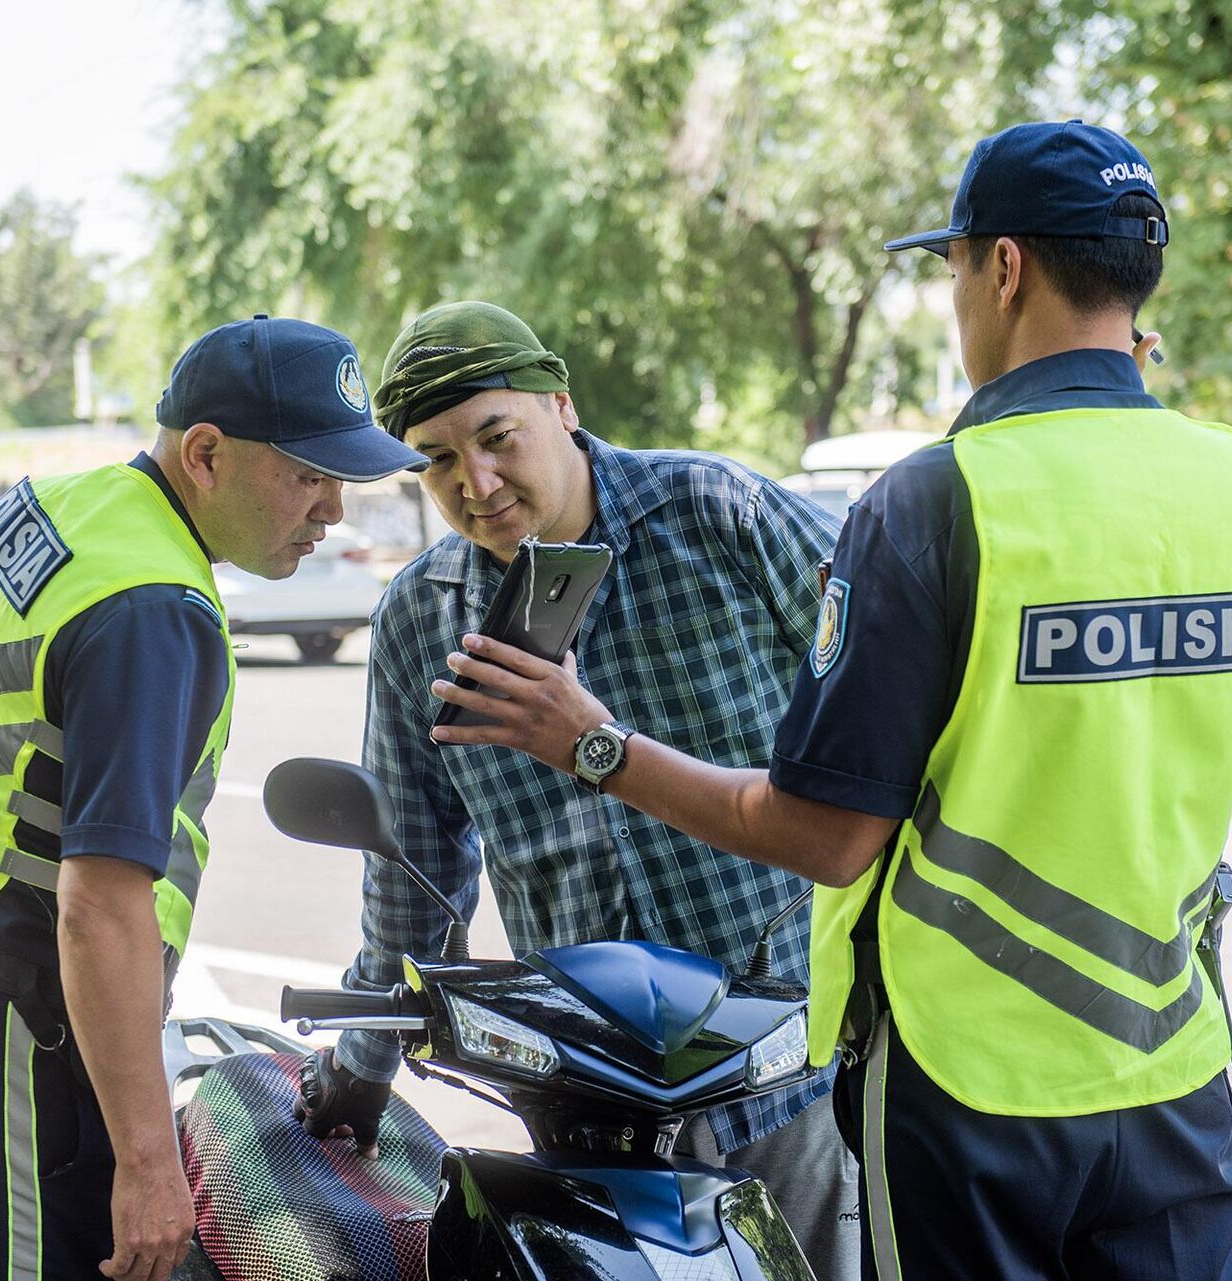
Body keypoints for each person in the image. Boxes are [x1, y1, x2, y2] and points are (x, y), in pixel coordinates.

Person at [424, 122, 1232, 1280]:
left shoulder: (937, 501)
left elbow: (824, 836)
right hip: (1172, 1057)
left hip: (967, 1078)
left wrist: (593, 746)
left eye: (951, 267)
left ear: (1003, 268)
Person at [0, 315, 427, 1281]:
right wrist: (148, 1159)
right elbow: (100, 907)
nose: (334, 507)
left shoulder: (53, 508)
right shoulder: (157, 609)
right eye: (308, 474)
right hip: (19, 1030)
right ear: (204, 454)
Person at [303, 300, 861, 1277]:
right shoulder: (419, 621)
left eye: (496, 437)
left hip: (786, 1073)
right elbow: (416, 872)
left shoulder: (721, 515)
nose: (476, 483)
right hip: (586, 1114)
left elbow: (890, 692)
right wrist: (364, 1066)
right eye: (436, 460)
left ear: (560, 404)